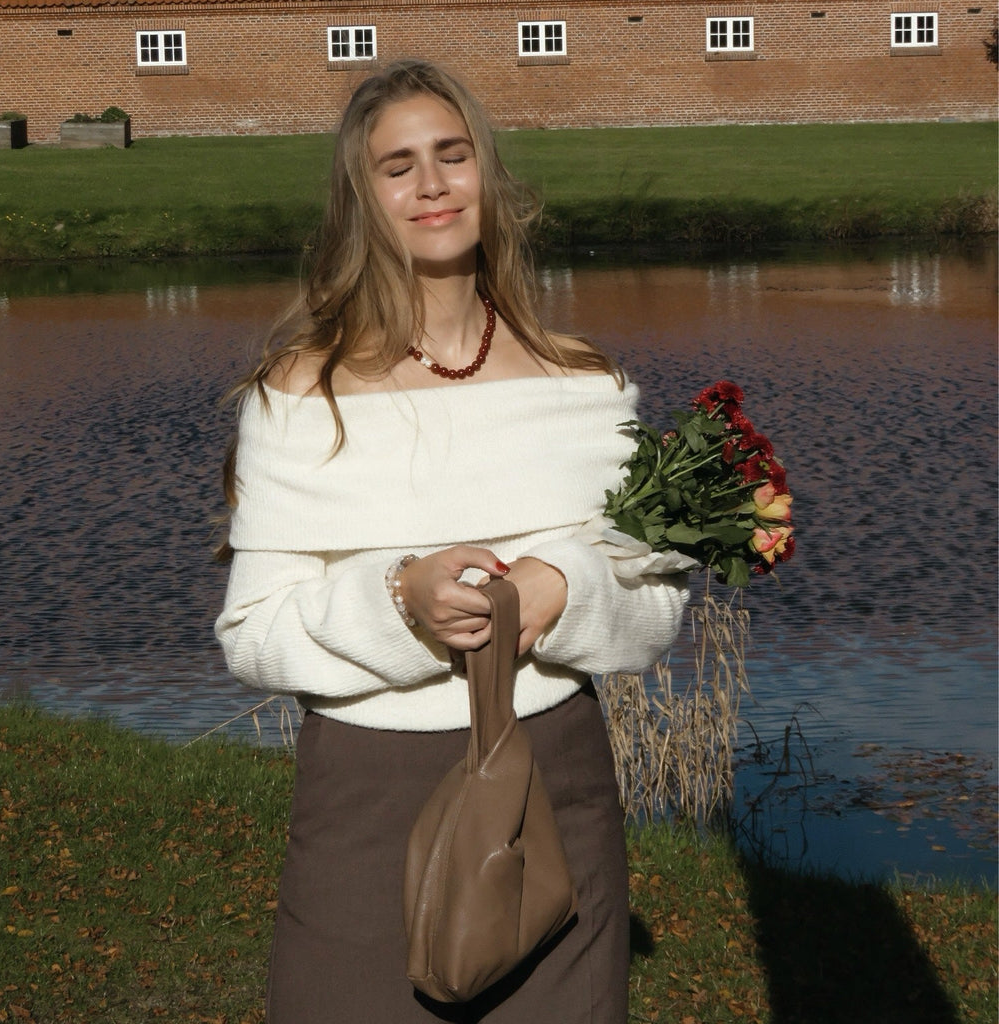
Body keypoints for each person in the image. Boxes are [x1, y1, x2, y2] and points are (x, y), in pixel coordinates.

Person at [215, 58, 687, 1024]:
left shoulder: (584, 388)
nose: (431, 186)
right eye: (398, 167)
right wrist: (400, 600)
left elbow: (658, 608)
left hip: (559, 781)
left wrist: (568, 593)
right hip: (368, 801)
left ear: (487, 176)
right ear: (363, 200)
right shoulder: (306, 397)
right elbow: (253, 635)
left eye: (452, 155)